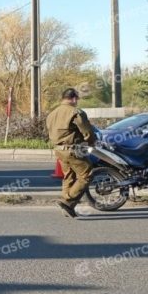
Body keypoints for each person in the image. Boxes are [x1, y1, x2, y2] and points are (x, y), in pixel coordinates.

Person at [45, 88, 96, 218]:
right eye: (77, 99)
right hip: (72, 150)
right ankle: (67, 201)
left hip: (58, 150)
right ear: (73, 98)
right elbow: (87, 132)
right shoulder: (75, 112)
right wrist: (91, 143)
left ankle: (67, 207)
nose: (77, 101)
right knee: (86, 174)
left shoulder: (52, 113)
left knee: (69, 177)